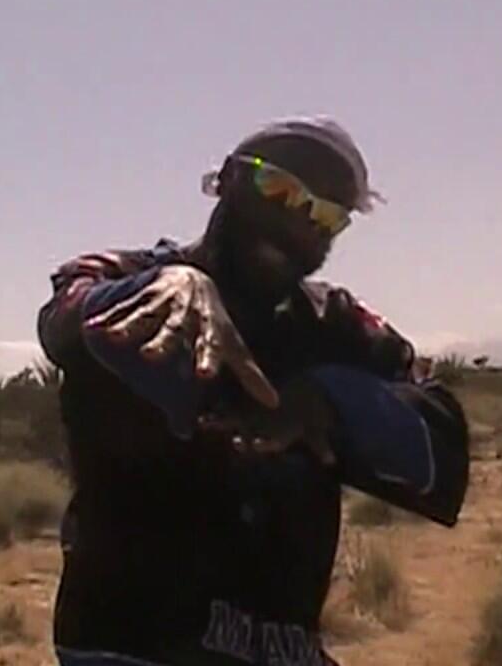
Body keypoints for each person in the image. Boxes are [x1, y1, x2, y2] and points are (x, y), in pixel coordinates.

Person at [37, 116, 470, 666]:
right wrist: (164, 288)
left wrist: (330, 400)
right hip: (129, 647)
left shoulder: (332, 325)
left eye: (327, 215)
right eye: (279, 188)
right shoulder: (124, 279)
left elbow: (441, 446)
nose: (298, 221)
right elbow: (64, 322)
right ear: (227, 178)